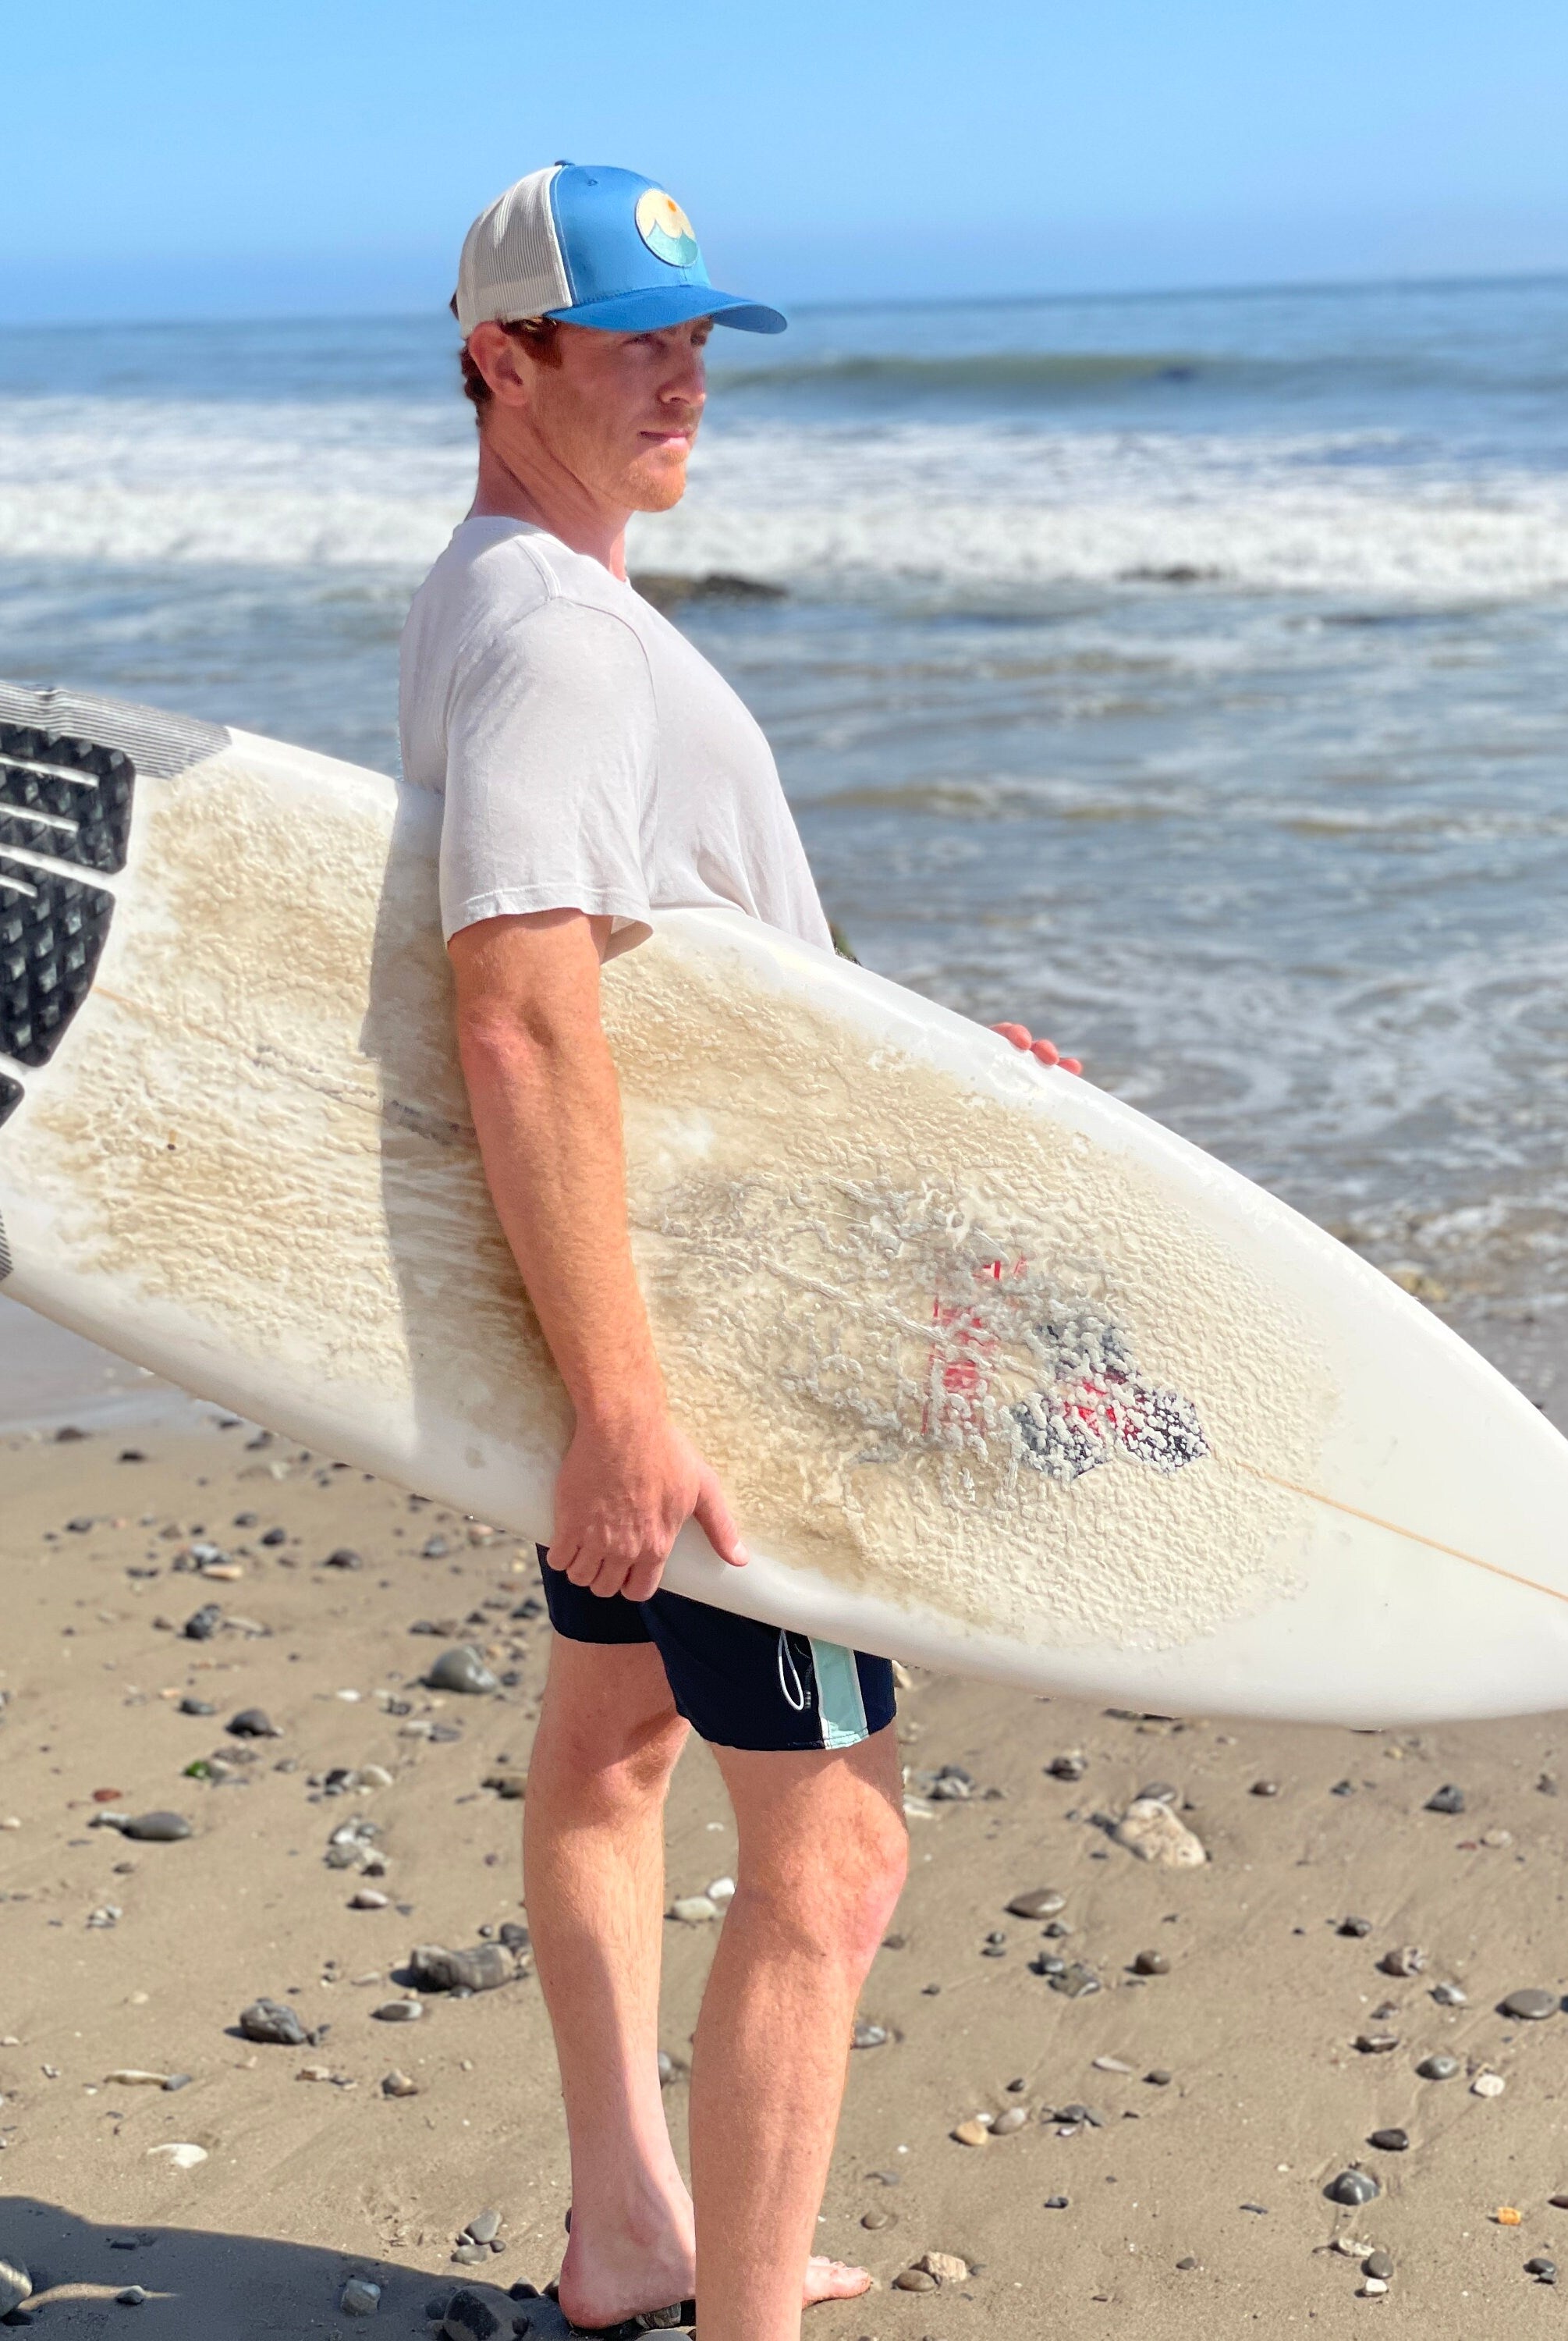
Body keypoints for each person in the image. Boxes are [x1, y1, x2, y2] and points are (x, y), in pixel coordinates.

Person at [399, 162, 1080, 2341]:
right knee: (837, 1860)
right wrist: (626, 1406)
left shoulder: (505, 587)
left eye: (700, 335)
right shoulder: (557, 638)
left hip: (629, 1296)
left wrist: (917, 1056)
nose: (685, 375)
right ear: (501, 356)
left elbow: (670, 970)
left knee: (613, 1751)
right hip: (709, 1363)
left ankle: (630, 2232)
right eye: (633, 340)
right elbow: (515, 1008)